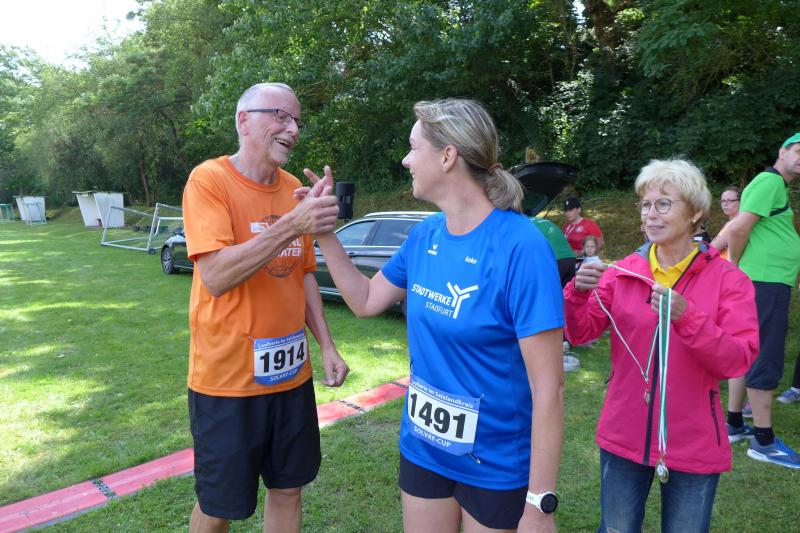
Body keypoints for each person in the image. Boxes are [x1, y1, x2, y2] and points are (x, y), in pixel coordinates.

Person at [308, 99, 565, 532]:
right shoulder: (424, 234)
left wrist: (539, 505)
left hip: (496, 462)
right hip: (424, 449)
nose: (406, 160)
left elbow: (549, 388)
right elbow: (365, 301)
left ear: (448, 156)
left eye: (413, 147)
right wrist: (326, 234)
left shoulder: (521, 246)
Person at [181, 82, 350, 533]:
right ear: (244, 121)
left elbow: (304, 274)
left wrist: (327, 346)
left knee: (289, 488)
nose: (292, 129)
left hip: (291, 376)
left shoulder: (294, 188)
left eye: (297, 121)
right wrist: (293, 223)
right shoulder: (209, 180)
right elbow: (216, 275)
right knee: (219, 506)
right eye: (280, 116)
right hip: (227, 383)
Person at [564, 159, 759, 532]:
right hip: (624, 432)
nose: (650, 214)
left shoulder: (728, 280)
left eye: (664, 204)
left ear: (695, 213)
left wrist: (687, 317)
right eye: (645, 205)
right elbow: (582, 332)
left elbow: (737, 359)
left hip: (694, 438)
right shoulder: (622, 272)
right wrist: (576, 294)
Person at [725, 133, 800, 468]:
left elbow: (738, 229)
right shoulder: (770, 181)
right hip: (765, 282)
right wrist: (736, 266)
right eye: (798, 150)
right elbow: (738, 229)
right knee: (766, 355)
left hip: (767, 281)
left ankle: (734, 423)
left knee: (749, 350)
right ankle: (764, 441)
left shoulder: (772, 185)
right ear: (782, 151)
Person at [529, 214, 577, 287]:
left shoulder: (524, 224)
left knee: (549, 290)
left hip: (556, 260)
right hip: (570, 259)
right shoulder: (540, 221)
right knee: (567, 292)